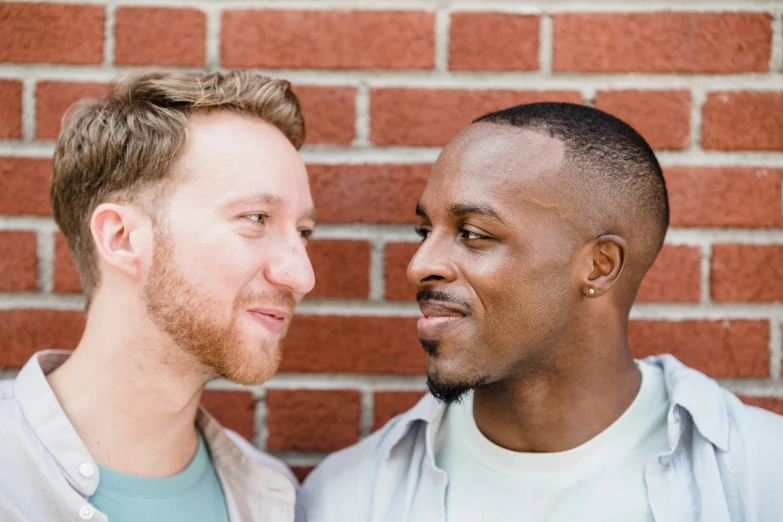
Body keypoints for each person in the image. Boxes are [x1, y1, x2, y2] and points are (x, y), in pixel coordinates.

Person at [297, 102, 783, 522]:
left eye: (473, 234)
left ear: (599, 266)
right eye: (426, 231)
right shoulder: (350, 496)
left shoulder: (761, 475)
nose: (419, 266)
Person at [0, 70, 317, 522]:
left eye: (304, 231)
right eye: (256, 218)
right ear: (122, 238)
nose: (301, 276)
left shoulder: (274, 499)